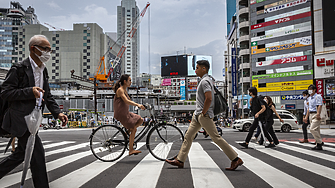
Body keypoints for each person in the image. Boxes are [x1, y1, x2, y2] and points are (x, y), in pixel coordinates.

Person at [0, 35, 68, 187]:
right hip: (20, 119)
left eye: (49, 49)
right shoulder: (19, 69)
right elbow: (5, 92)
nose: (48, 52)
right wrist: (30, 91)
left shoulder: (43, 70)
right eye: (45, 49)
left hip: (33, 120)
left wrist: (58, 113)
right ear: (33, 49)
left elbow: (47, 96)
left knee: (21, 154)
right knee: (37, 155)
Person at [165, 60, 243, 170]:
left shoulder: (205, 81)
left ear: (204, 69)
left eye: (197, 68)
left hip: (203, 115)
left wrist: (204, 112)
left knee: (216, 137)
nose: (195, 70)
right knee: (188, 136)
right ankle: (180, 160)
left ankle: (235, 159)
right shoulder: (205, 80)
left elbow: (209, 98)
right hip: (197, 115)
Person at [113, 74, 145, 156]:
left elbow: (128, 100)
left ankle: (128, 132)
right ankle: (131, 149)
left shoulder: (125, 90)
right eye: (129, 80)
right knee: (134, 129)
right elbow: (126, 101)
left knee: (140, 120)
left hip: (126, 113)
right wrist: (138, 105)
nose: (131, 82)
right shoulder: (120, 90)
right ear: (125, 81)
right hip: (121, 114)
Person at [305, 85, 324, 150]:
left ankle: (320, 142)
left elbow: (319, 105)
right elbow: (308, 108)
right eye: (309, 89)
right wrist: (306, 117)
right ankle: (318, 145)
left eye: (310, 89)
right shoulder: (309, 98)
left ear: (314, 90)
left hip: (316, 114)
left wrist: (318, 114)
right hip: (311, 114)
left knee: (312, 129)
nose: (309, 90)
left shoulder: (318, 96)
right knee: (317, 130)